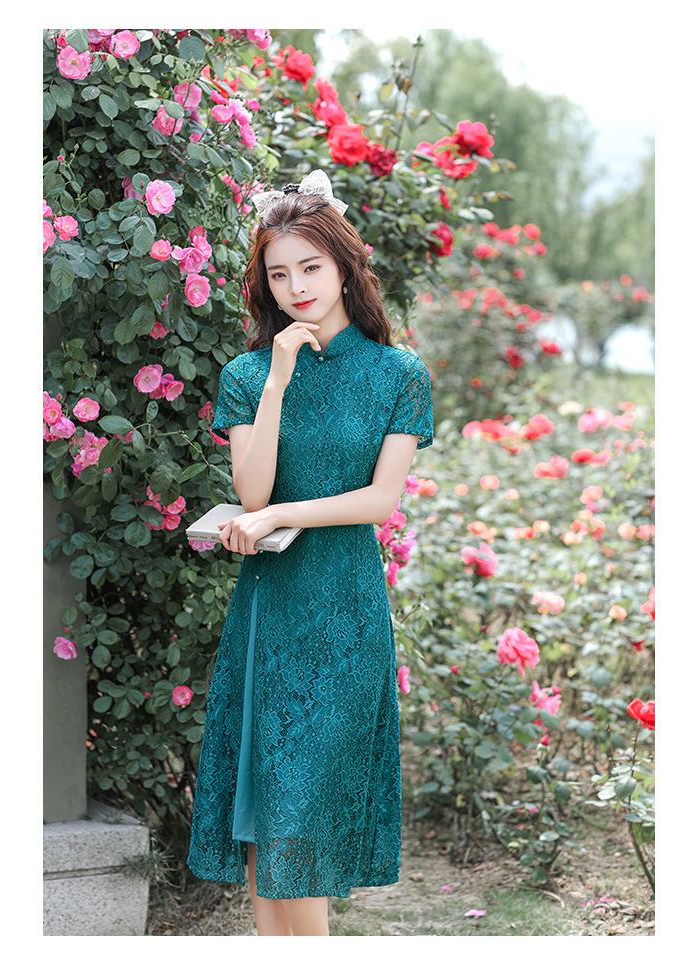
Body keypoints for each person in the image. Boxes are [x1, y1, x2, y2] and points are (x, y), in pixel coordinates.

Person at [186, 169, 434, 936]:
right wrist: (278, 382)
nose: (296, 287)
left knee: (303, 816)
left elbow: (378, 501)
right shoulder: (248, 375)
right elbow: (252, 492)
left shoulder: (399, 374)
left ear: (345, 266)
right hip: (269, 613)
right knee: (264, 817)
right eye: (278, 273)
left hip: (344, 612)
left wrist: (279, 516)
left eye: (311, 267)